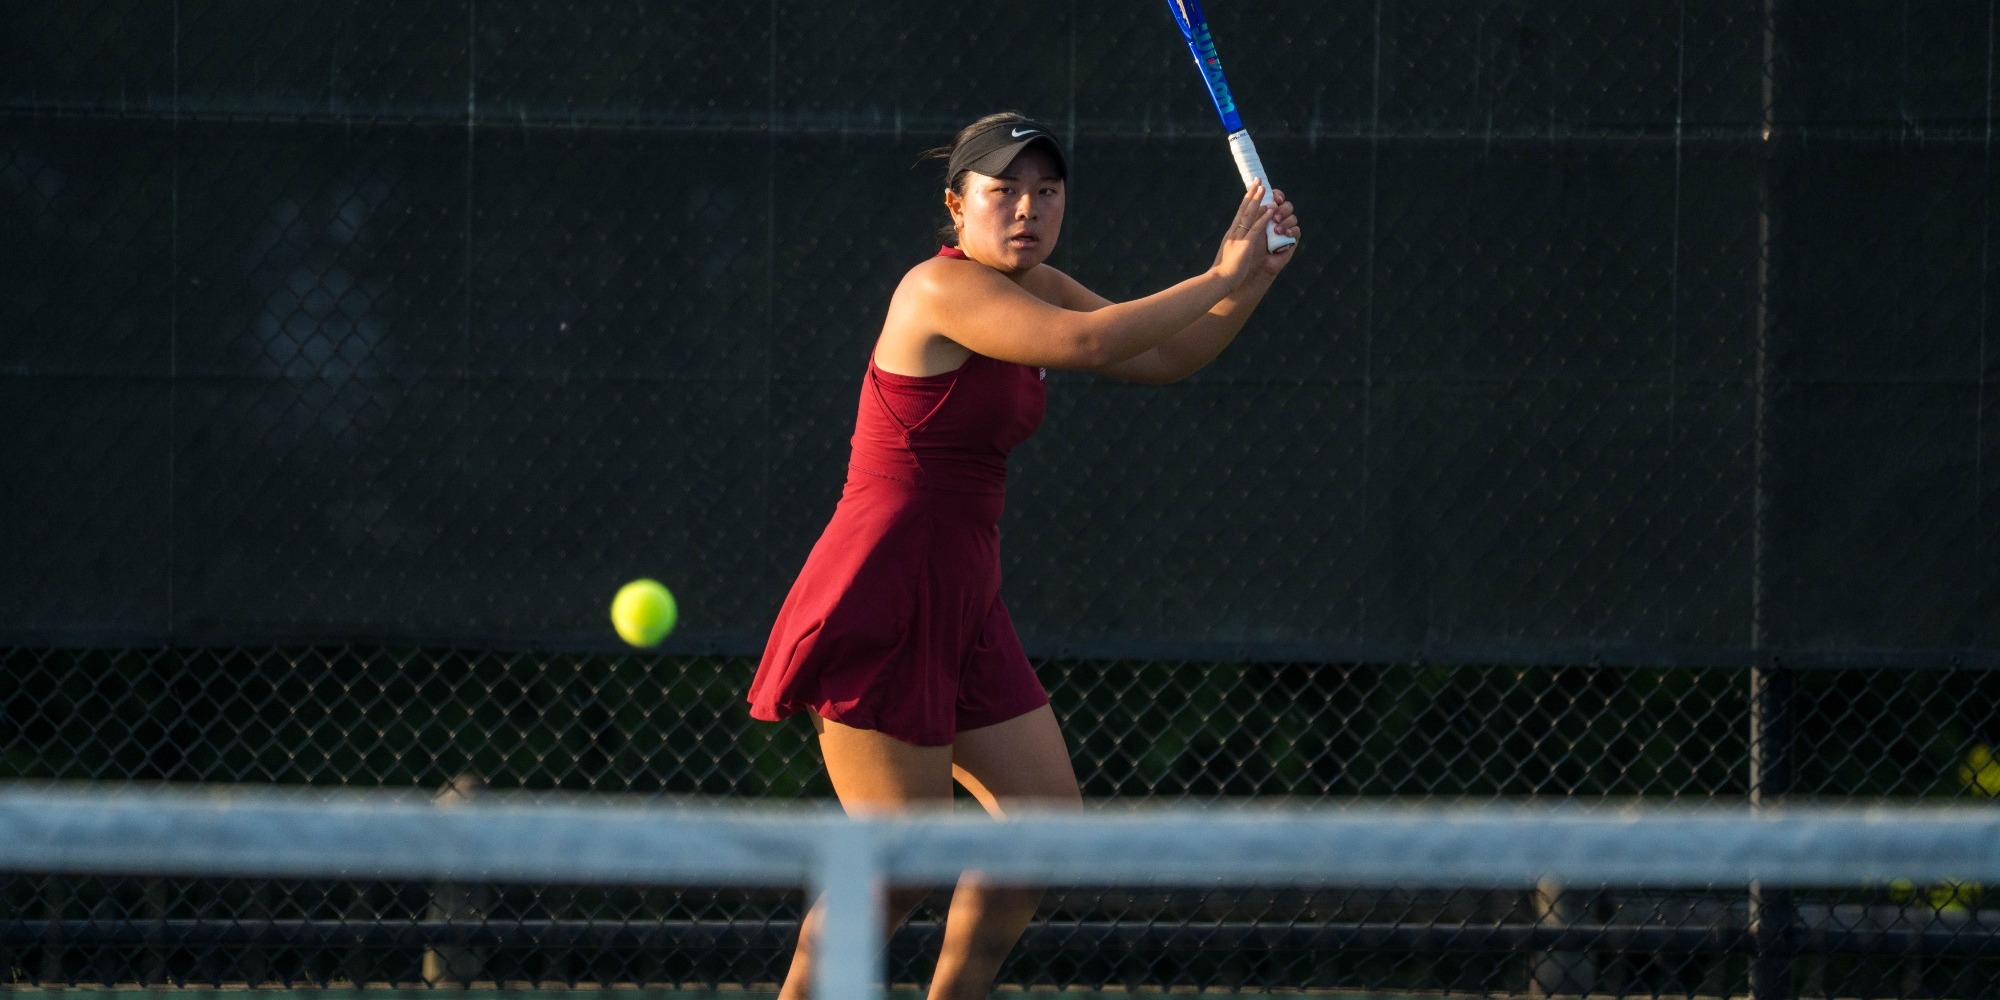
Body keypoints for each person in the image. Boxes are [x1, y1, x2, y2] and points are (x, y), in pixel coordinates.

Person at [747, 110, 1301, 1000]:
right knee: (903, 864)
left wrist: (1254, 276)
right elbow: (1091, 342)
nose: (1027, 208)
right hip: (882, 593)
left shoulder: (1036, 281)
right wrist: (1216, 272)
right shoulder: (937, 289)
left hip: (964, 598)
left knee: (1040, 827)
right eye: (1003, 189)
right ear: (956, 205)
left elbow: (1159, 353)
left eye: (1047, 191)